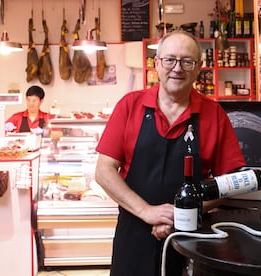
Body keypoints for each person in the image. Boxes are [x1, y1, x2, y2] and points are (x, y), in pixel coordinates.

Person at [94, 30, 245, 276]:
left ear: (199, 68)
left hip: (191, 239)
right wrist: (148, 212)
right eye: (170, 60)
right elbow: (103, 171)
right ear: (157, 64)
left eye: (187, 61)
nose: (177, 68)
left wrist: (182, 214)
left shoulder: (214, 114)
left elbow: (230, 182)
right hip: (134, 234)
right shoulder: (130, 106)